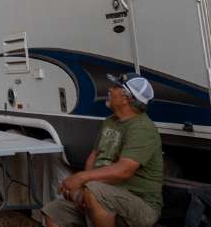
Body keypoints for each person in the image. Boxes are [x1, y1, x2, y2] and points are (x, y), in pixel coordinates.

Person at [42, 72, 164, 227]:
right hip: (104, 196)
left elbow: (124, 170)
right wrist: (81, 189)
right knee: (54, 212)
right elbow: (94, 156)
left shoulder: (142, 128)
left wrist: (81, 179)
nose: (109, 90)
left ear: (127, 98)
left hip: (140, 205)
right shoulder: (110, 122)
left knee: (94, 193)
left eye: (115, 87)